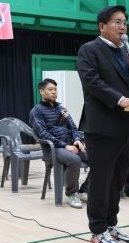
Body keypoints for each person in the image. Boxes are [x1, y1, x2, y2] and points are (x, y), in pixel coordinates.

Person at [77, 5, 129, 243]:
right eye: (117, 22)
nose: (123, 27)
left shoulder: (124, 51)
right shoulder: (89, 49)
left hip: (125, 126)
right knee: (101, 180)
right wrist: (120, 100)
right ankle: (97, 230)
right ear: (102, 26)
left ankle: (111, 225)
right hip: (102, 127)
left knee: (118, 179)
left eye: (125, 22)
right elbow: (92, 82)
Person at [29, 78, 88, 209]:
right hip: (53, 149)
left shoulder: (62, 109)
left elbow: (73, 127)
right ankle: (72, 193)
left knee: (97, 158)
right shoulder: (36, 111)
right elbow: (43, 134)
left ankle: (85, 190)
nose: (54, 92)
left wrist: (77, 140)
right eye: (50, 89)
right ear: (41, 91)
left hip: (70, 146)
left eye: (55, 89)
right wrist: (65, 146)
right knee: (74, 160)